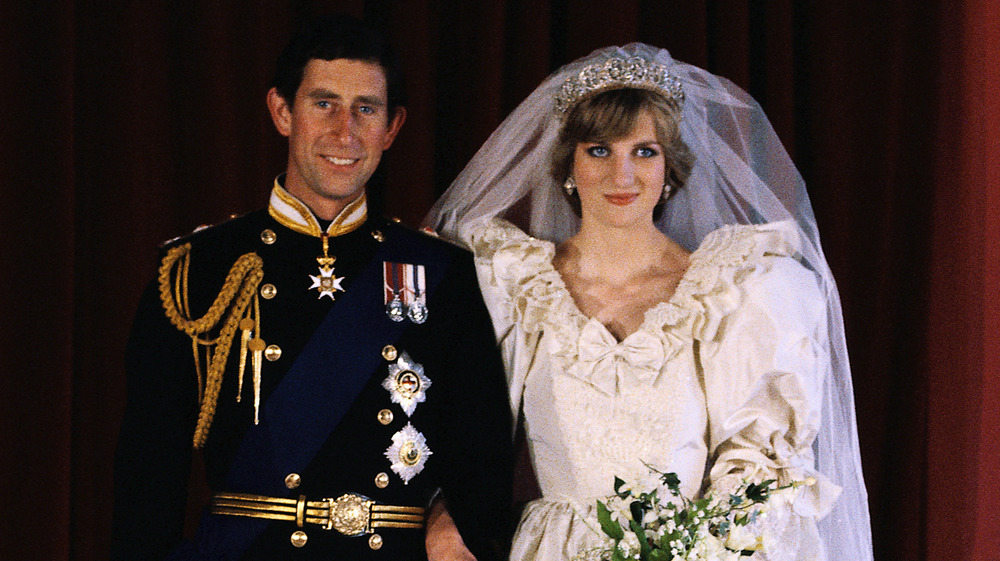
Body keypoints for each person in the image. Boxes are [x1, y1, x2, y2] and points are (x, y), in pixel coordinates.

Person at [425, 44, 873, 561]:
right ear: (568, 164)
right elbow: (457, 431)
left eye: (644, 151)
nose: (623, 176)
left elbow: (758, 467)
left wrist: (698, 548)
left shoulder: (735, 292)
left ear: (669, 168)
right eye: (599, 150)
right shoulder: (513, 284)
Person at [112, 14, 512, 561]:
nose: (345, 131)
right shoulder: (198, 269)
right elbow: (147, 479)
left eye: (365, 109)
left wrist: (451, 521)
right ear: (282, 111)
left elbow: (482, 454)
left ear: (392, 128)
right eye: (324, 103)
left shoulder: (440, 273)